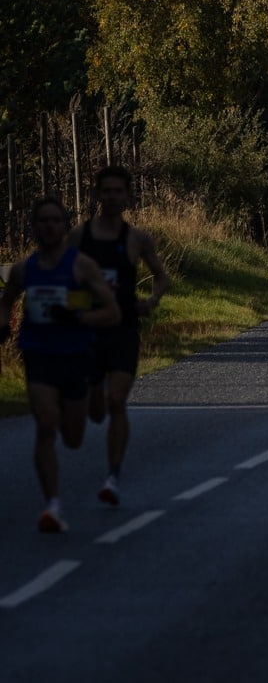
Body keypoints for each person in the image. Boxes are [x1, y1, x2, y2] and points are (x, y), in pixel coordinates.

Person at [0, 195, 121, 532]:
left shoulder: (82, 266)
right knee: (45, 424)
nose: (49, 226)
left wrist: (79, 316)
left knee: (72, 436)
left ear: (65, 227)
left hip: (76, 355)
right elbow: (6, 302)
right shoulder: (24, 270)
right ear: (33, 227)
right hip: (38, 353)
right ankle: (52, 505)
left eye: (55, 220)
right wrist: (3, 325)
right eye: (43, 221)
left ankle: (96, 385)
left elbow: (111, 311)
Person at [73, 164, 169, 507]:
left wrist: (152, 300)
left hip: (125, 329)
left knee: (117, 402)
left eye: (118, 191)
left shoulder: (137, 239)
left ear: (128, 196)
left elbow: (161, 276)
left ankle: (113, 476)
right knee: (95, 410)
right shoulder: (79, 237)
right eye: (106, 191)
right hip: (88, 331)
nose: (112, 197)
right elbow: (65, 278)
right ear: (97, 195)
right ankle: (92, 391)